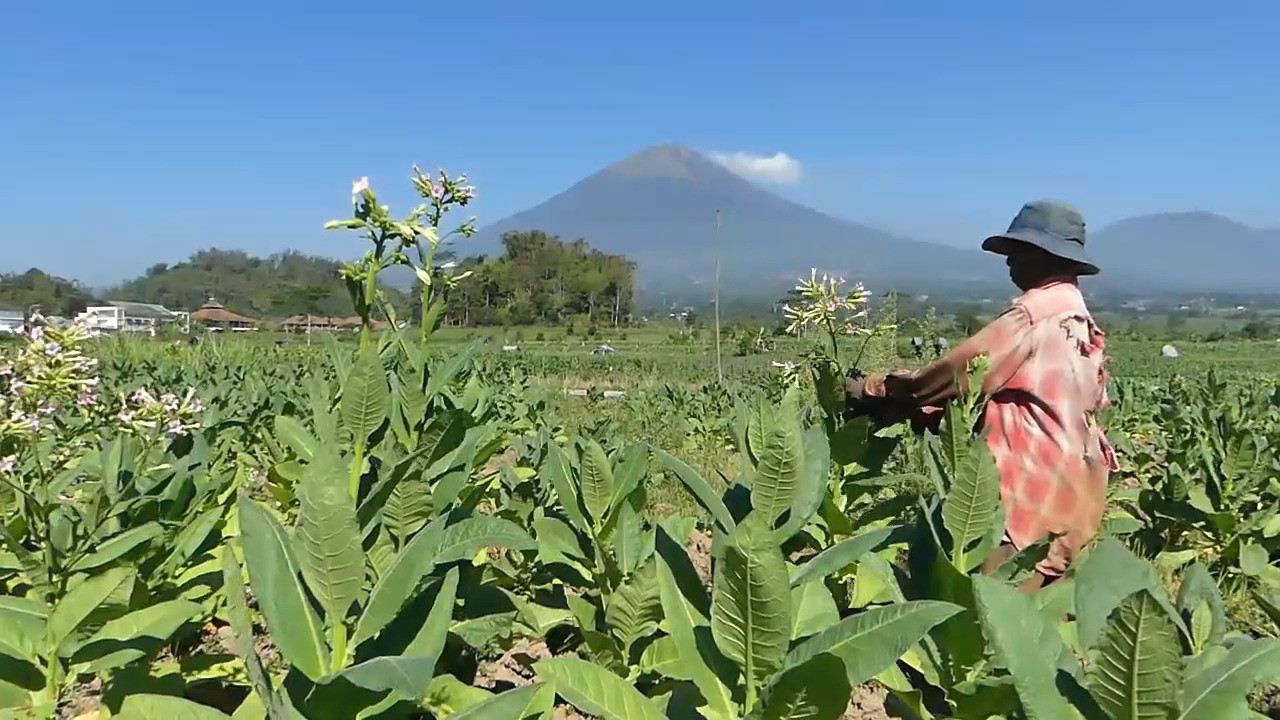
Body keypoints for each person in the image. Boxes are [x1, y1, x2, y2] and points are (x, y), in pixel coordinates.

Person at [847, 199, 1117, 592]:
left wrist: (877, 389)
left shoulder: (1031, 317)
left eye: (1016, 253)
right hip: (1074, 499)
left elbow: (951, 376)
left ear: (1042, 255)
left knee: (990, 623)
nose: (1009, 265)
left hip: (1025, 501)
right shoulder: (1081, 323)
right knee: (1037, 632)